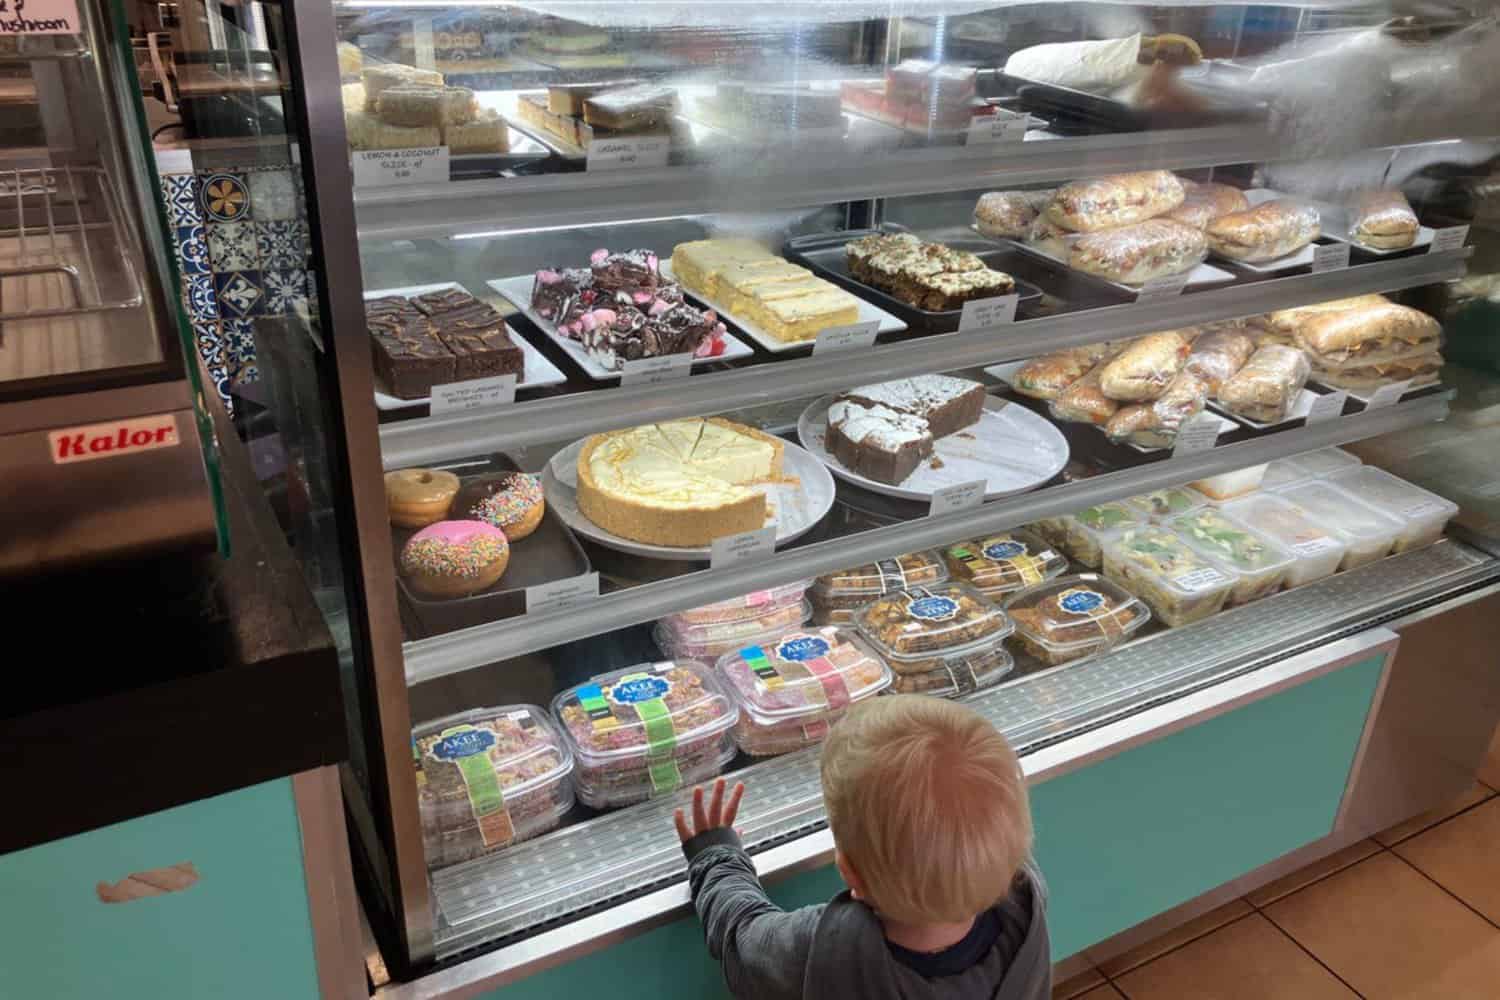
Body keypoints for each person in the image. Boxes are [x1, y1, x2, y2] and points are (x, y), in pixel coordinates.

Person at [674, 694, 1050, 999]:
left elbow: (744, 941)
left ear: (849, 871)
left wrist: (715, 854)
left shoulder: (829, 947)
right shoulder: (1025, 903)